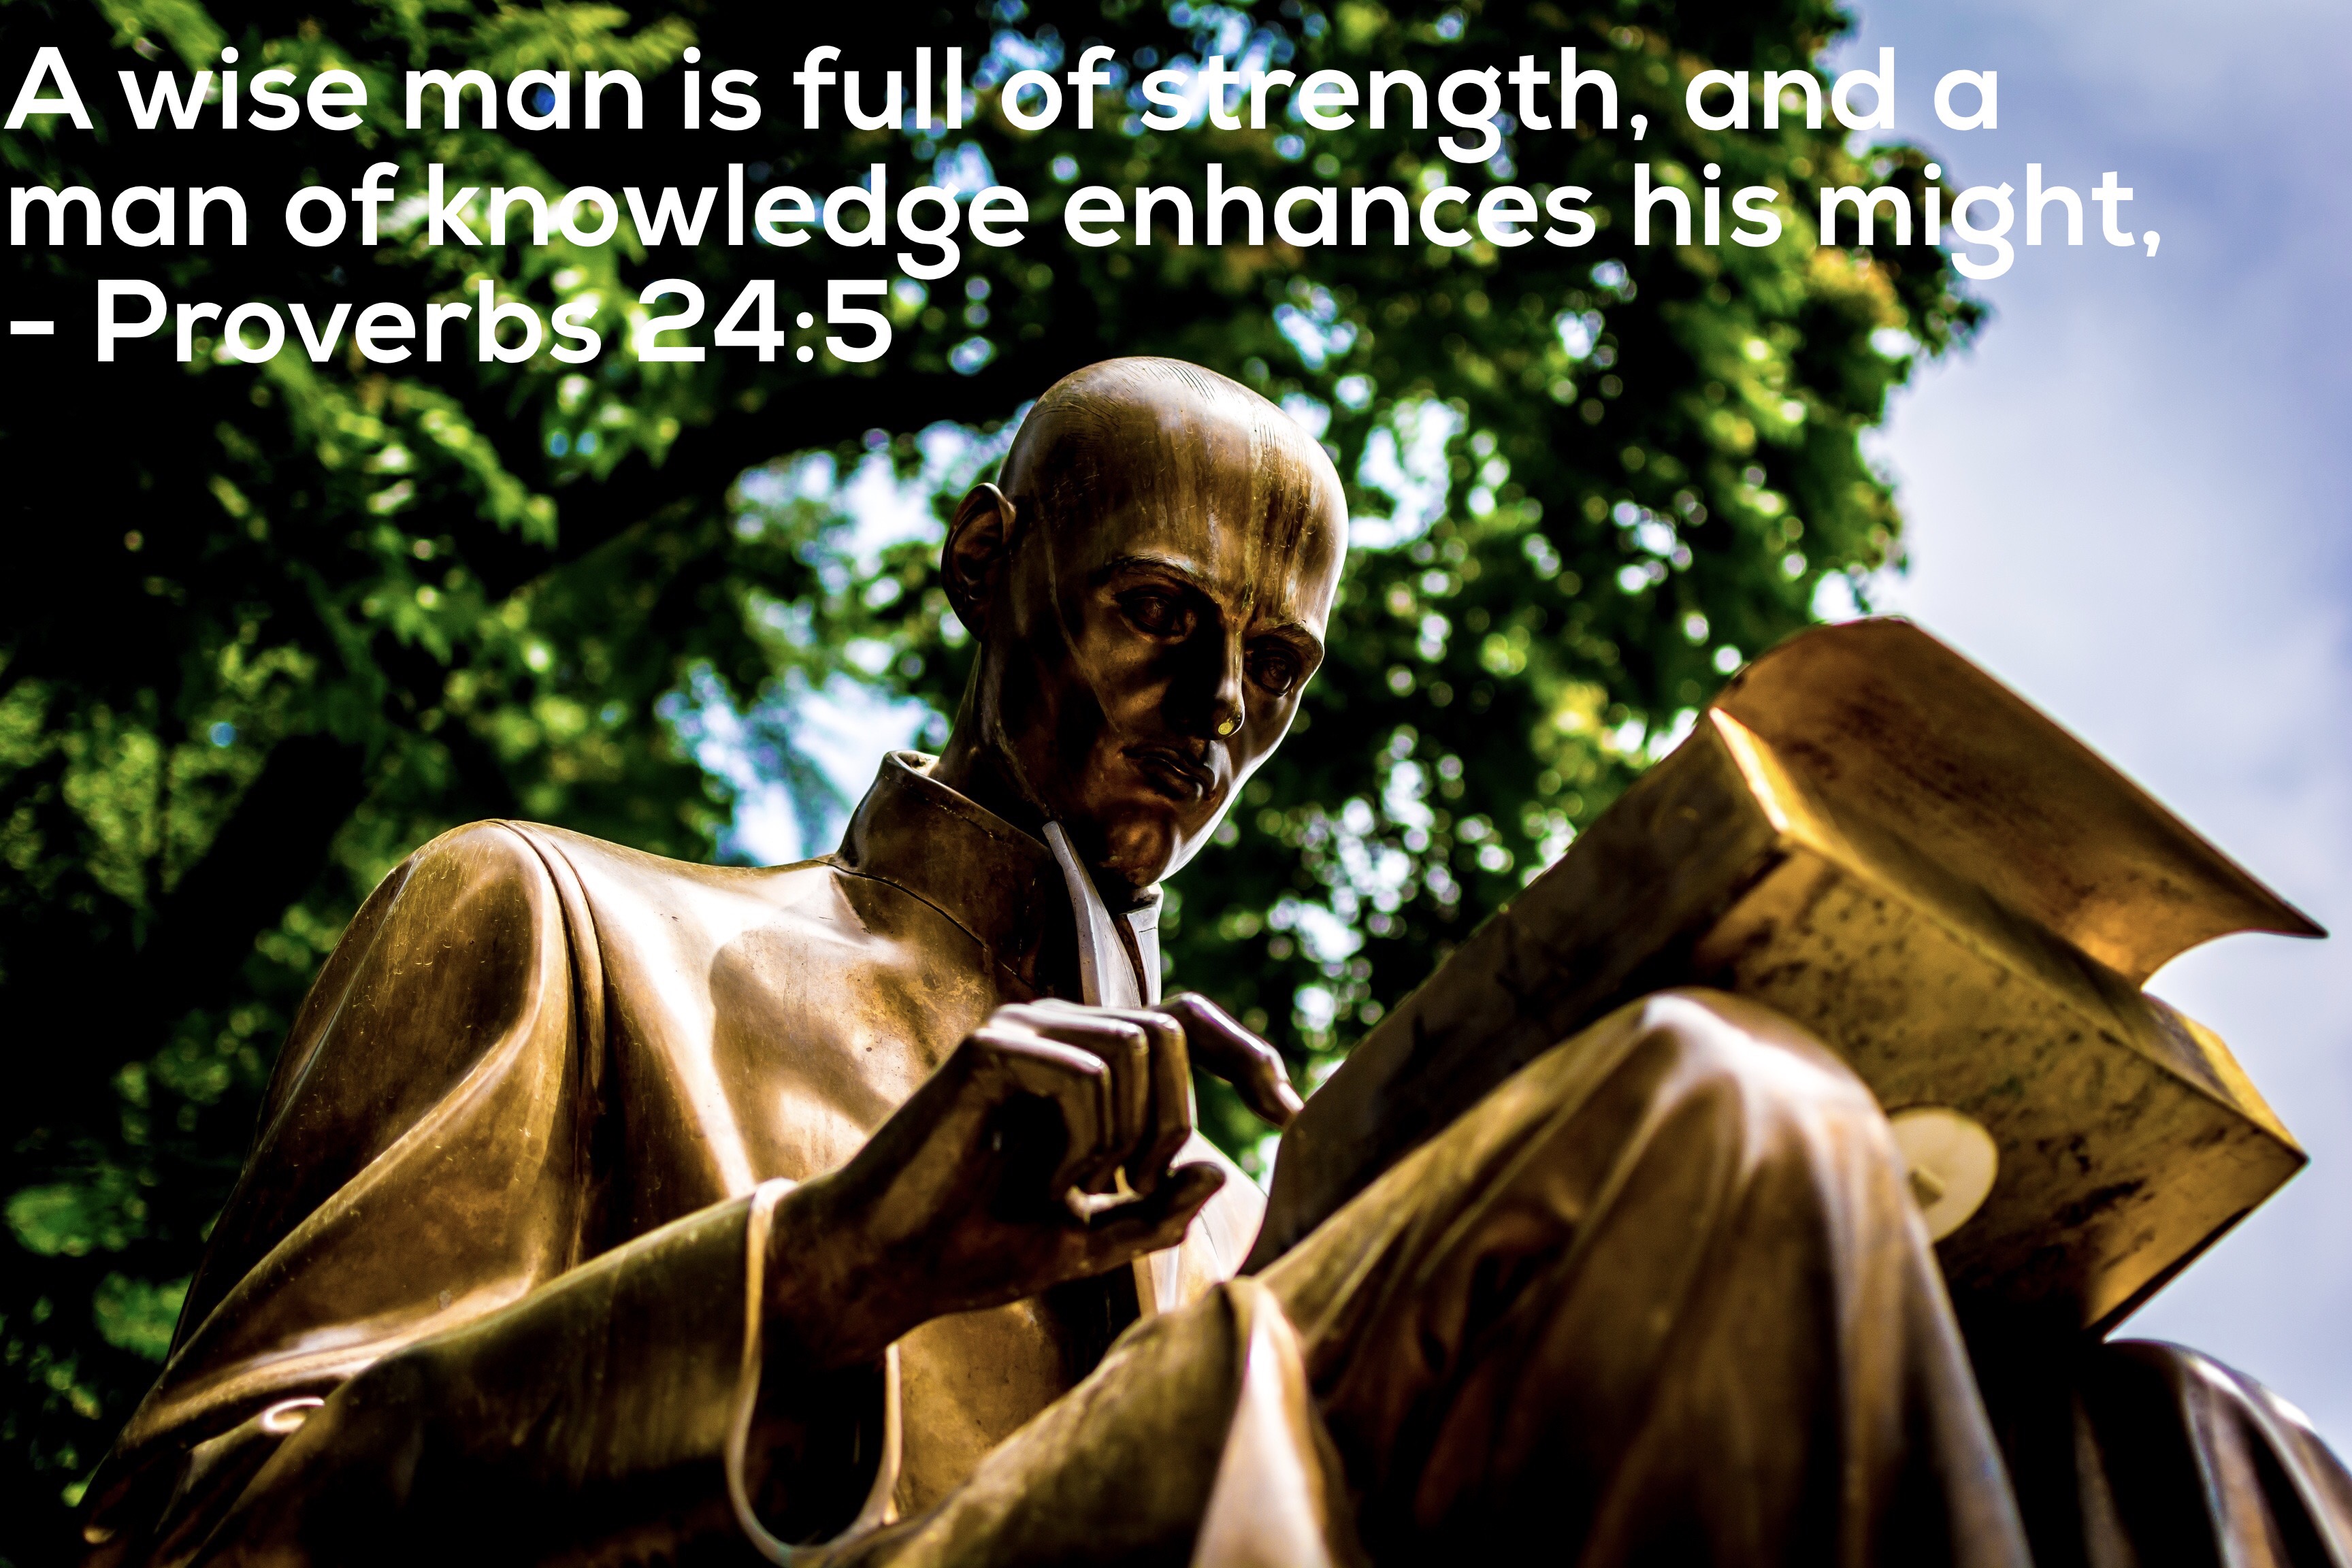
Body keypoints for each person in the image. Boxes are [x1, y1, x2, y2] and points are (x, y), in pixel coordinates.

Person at [80, 359, 2352, 1567]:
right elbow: (194, 1537)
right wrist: (826, 1278)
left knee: (2177, 1447)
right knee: (1711, 1108)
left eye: (1277, 670)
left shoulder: (1258, 1212)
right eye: (1159, 618)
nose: (1217, 717)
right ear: (984, 564)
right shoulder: (564, 925)